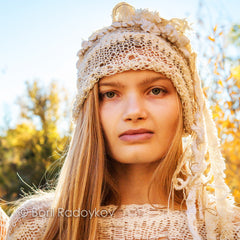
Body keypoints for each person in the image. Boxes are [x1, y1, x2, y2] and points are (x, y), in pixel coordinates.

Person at [6, 2, 240, 239]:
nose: (134, 112)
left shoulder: (226, 229)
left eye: (156, 90)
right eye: (110, 94)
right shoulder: (37, 225)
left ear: (186, 107)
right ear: (90, 113)